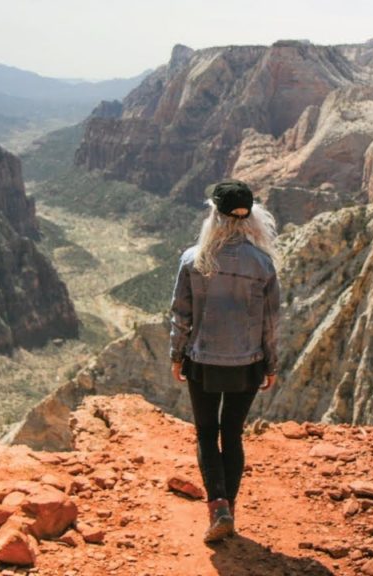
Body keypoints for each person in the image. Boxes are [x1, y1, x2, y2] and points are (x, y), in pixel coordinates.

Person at [169, 179, 280, 543]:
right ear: (250, 219)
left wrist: (176, 355)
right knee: (232, 435)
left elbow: (181, 316)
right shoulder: (263, 264)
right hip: (247, 363)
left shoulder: (192, 259)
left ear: (214, 216)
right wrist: (271, 365)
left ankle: (218, 508)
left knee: (206, 432)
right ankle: (228, 508)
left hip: (203, 360)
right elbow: (271, 322)